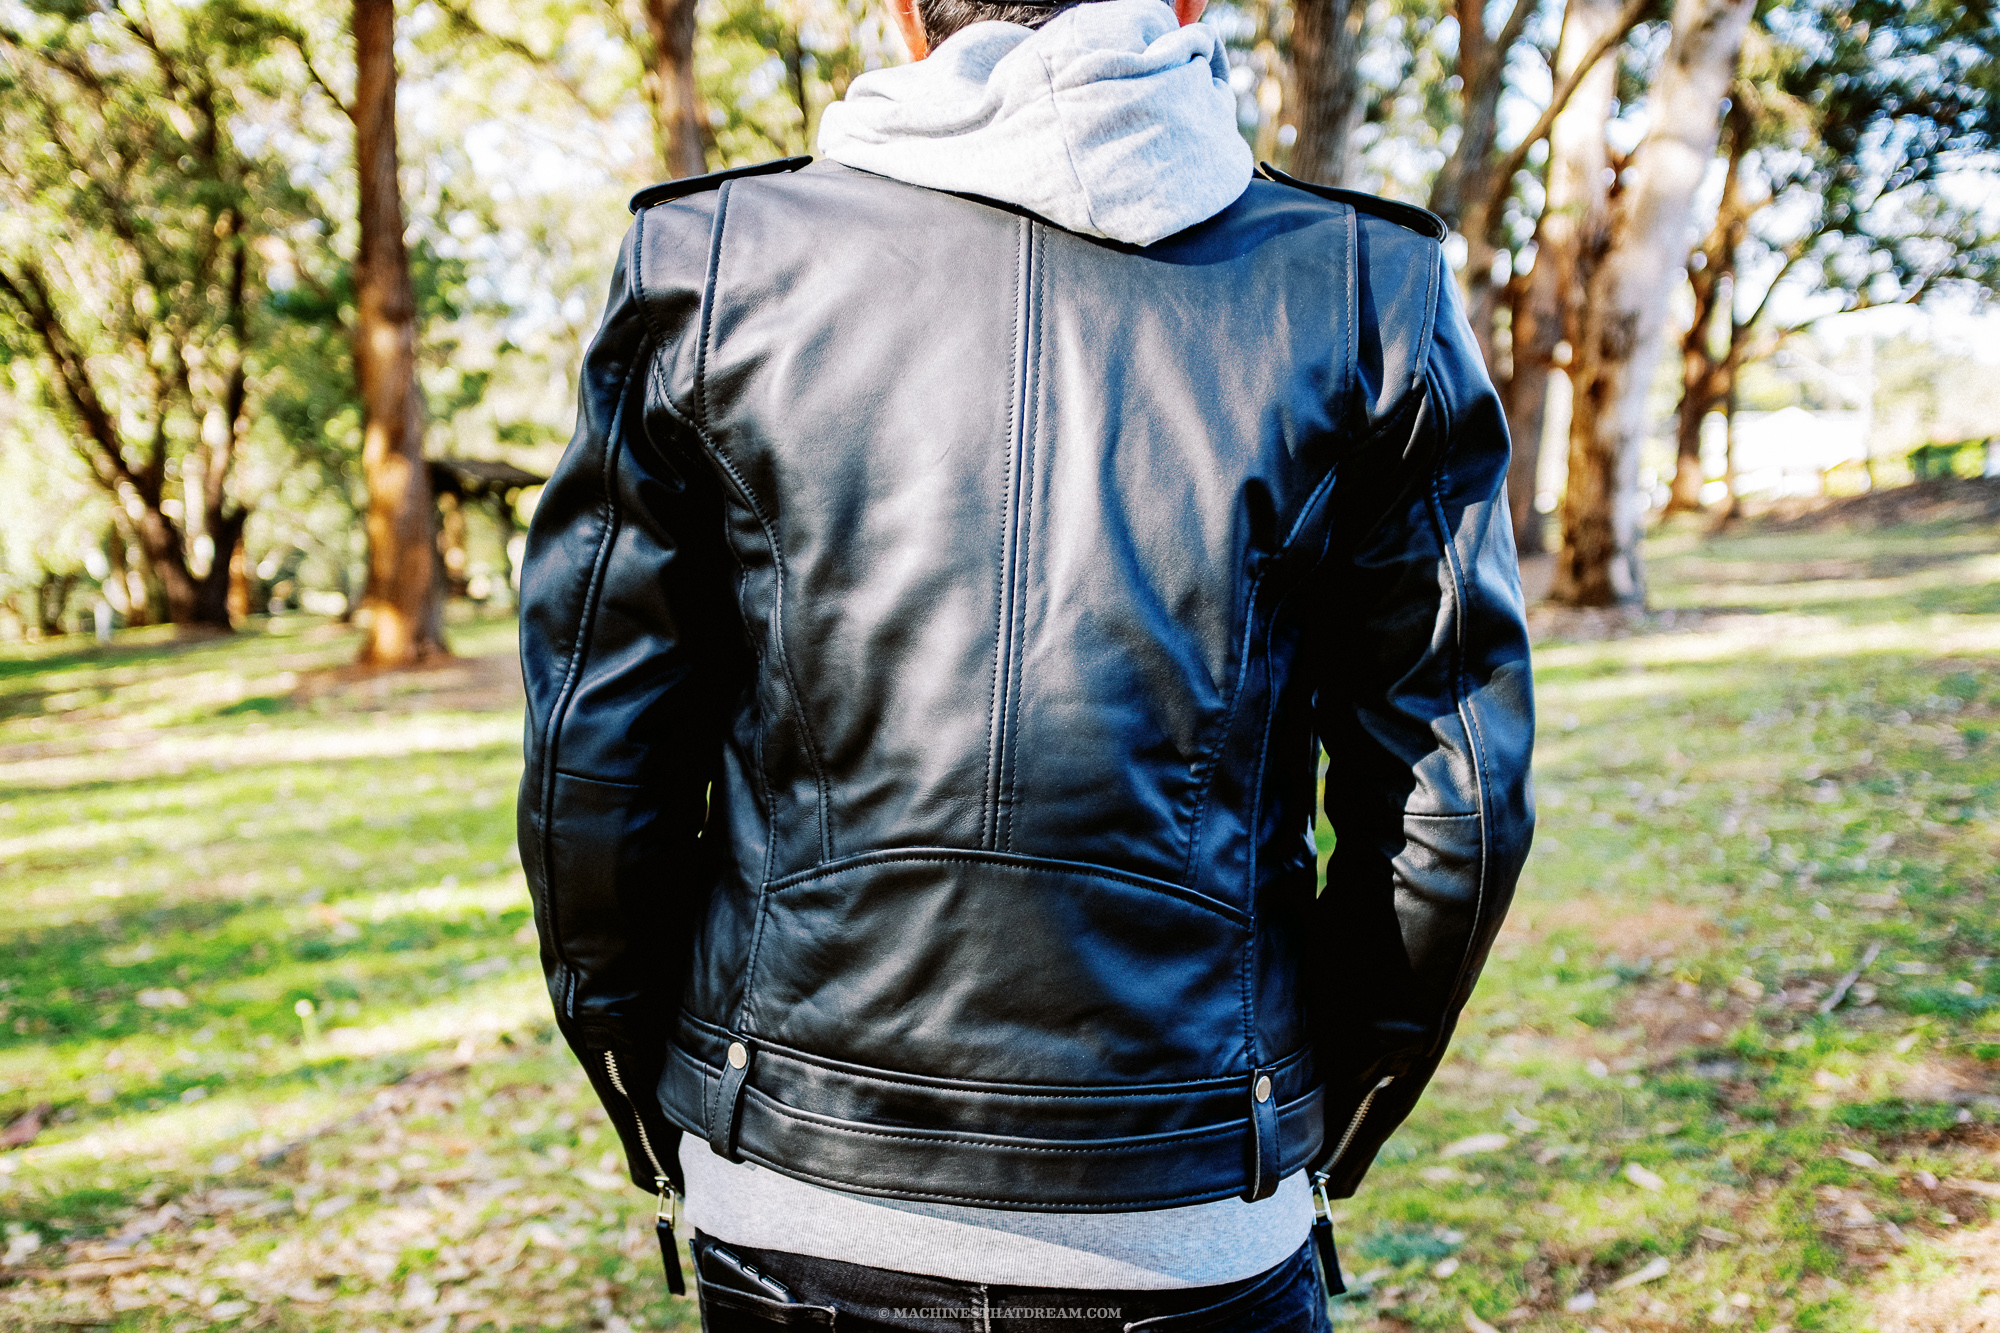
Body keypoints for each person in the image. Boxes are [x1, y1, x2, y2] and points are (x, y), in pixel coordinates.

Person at [514, 0, 1535, 1322]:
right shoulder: (1360, 285)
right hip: (1194, 1207)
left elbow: (594, 775)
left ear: (898, 10)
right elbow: (1454, 809)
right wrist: (1303, 1114)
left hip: (799, 1190)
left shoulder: (706, 266)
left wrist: (662, 1095)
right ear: (1182, 7)